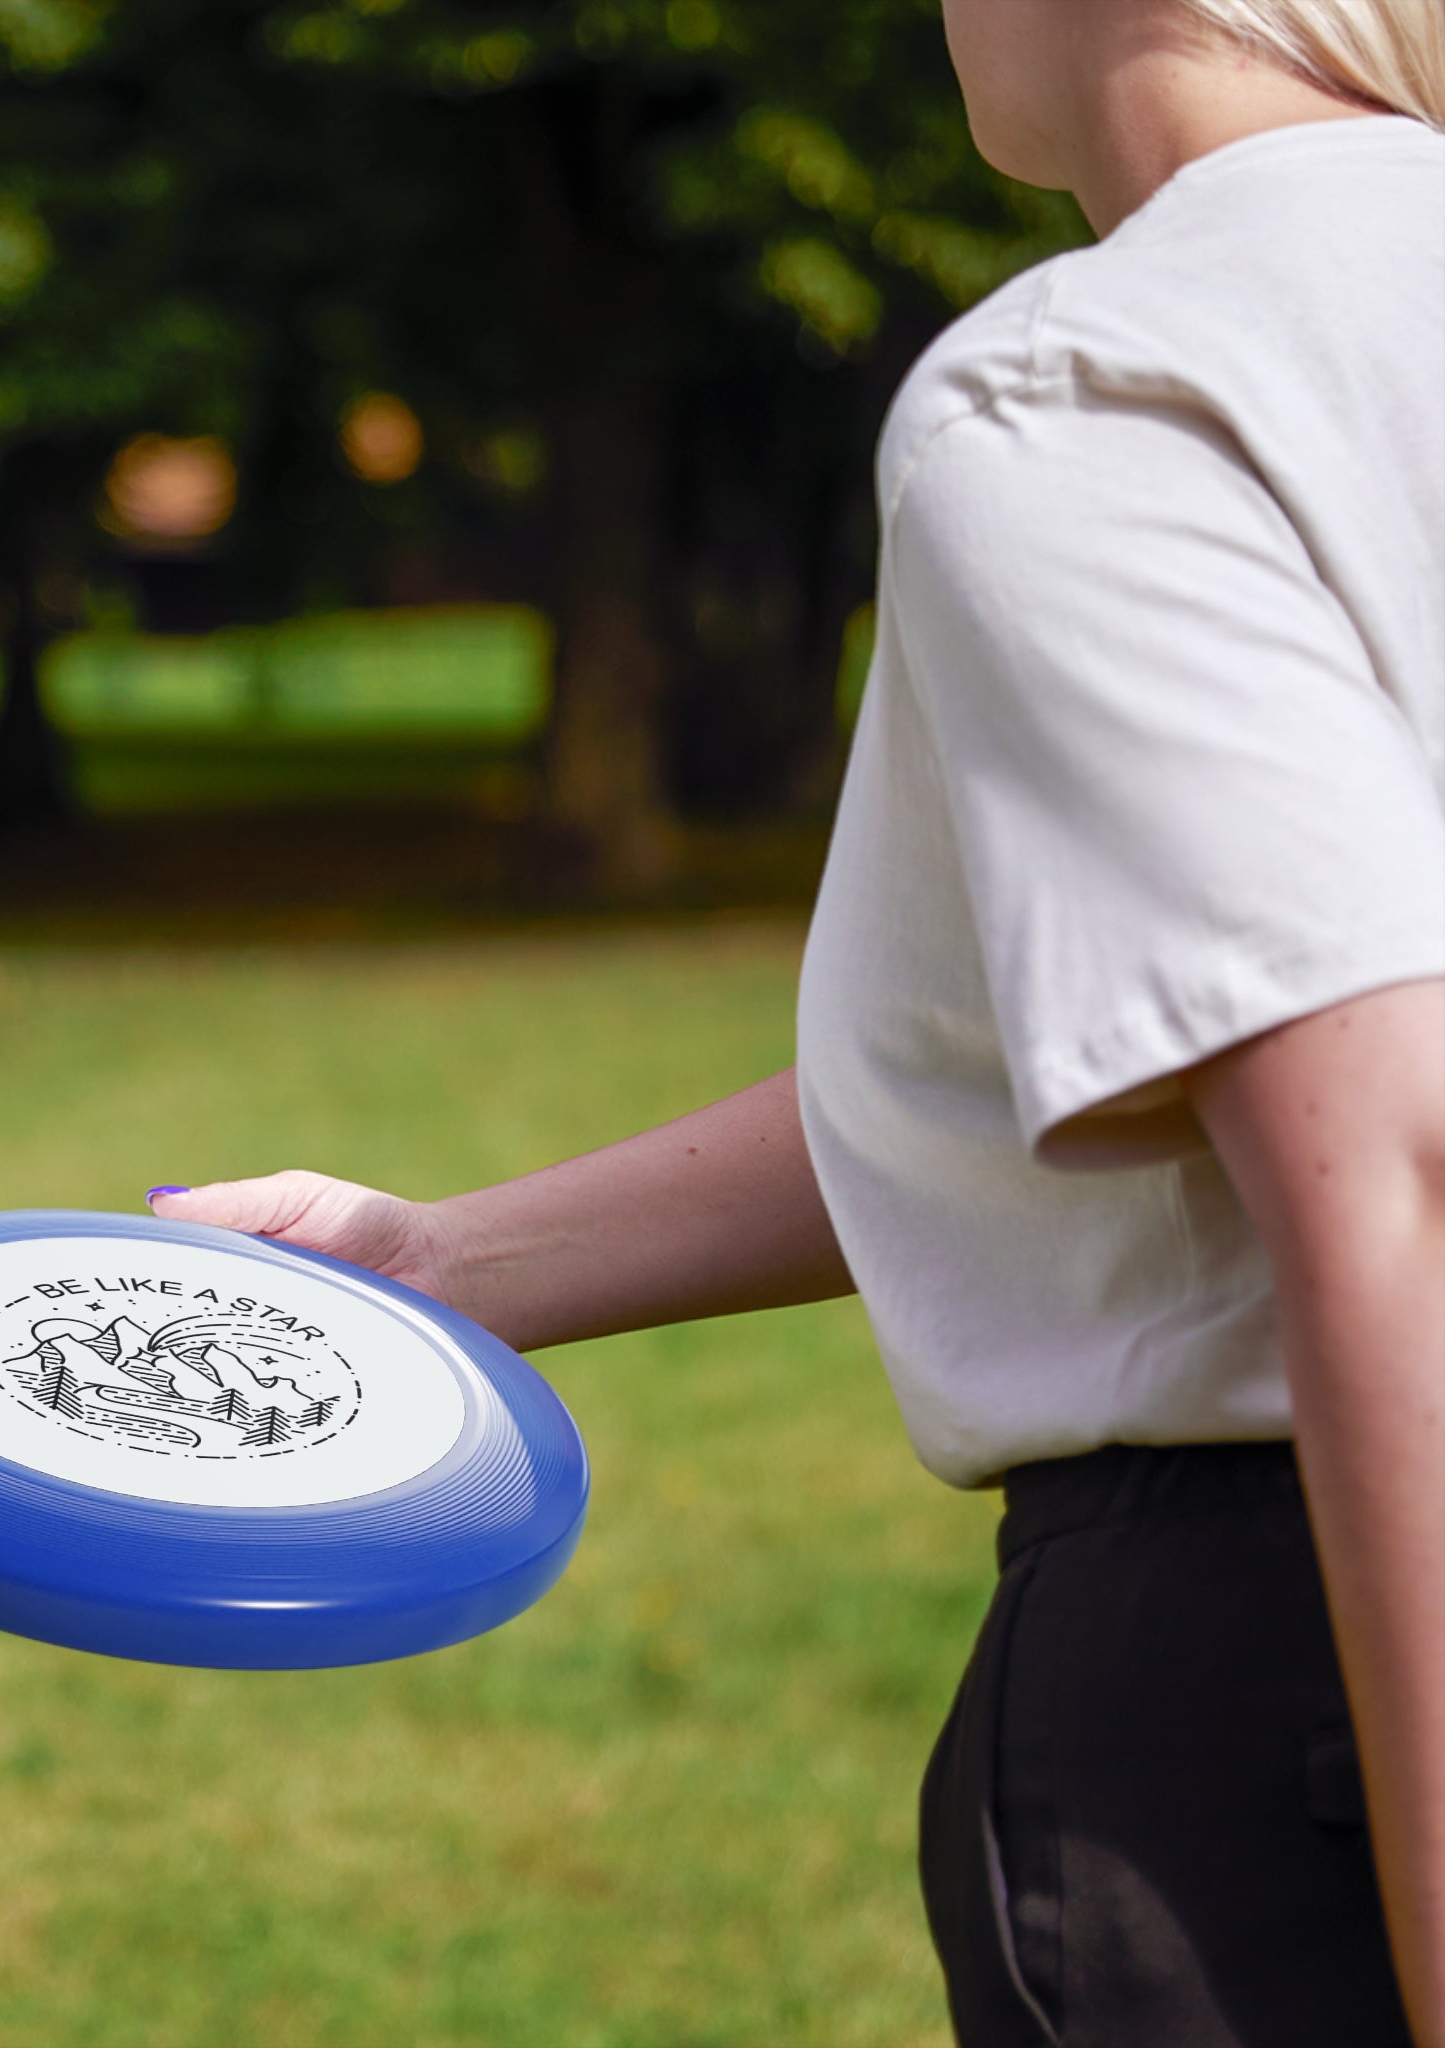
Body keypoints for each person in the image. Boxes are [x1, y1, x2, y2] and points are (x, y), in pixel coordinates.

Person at [145, 2, 1445, 2041]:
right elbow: (1127, 1052)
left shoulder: (1102, 383)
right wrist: (447, 1263)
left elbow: (1394, 1172)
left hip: (1301, 1688)